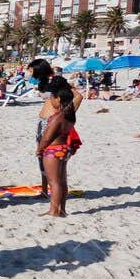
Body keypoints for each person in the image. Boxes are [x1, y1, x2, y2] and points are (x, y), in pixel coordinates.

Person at [36, 88, 80, 217]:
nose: (50, 101)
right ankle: (62, 209)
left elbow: (47, 137)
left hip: (53, 150)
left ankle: (53, 210)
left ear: (58, 99)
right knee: (62, 181)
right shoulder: (69, 115)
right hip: (64, 148)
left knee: (54, 182)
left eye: (52, 98)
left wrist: (40, 149)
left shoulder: (57, 117)